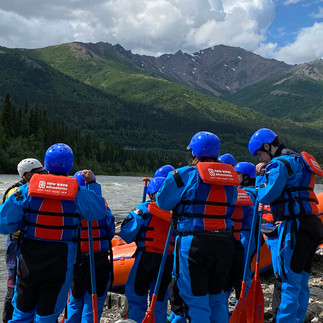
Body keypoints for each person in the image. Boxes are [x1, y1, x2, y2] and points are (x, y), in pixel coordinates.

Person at [0, 143, 107, 323]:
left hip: (29, 259)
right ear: (70, 165)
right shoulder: (77, 191)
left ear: (46, 165)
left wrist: (23, 222)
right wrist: (93, 185)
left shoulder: (27, 190)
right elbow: (97, 212)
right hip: (60, 260)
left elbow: (4, 224)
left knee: (21, 313)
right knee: (47, 316)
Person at [157, 131, 238, 323]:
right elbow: (232, 203)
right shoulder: (228, 178)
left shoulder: (184, 174)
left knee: (196, 301)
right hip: (224, 243)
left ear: (194, 152)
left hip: (194, 244)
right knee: (217, 298)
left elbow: (163, 202)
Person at [248, 128, 323, 323]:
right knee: (301, 280)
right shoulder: (299, 161)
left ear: (267, 146)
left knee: (287, 281)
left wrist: (259, 175)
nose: (260, 158)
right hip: (312, 225)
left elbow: (265, 196)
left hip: (294, 226)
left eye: (259, 153)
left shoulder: (278, 164)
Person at [119, 176, 174, 323]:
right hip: (167, 260)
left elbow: (126, 233)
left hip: (145, 259)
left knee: (136, 297)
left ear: (151, 193)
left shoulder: (144, 208)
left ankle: (136, 320)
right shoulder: (177, 212)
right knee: (160, 301)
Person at [65, 171, 115, 322]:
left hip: (77, 262)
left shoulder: (69, 206)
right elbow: (110, 231)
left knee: (74, 302)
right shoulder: (102, 205)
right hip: (99, 260)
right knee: (93, 304)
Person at [2, 158, 45, 323]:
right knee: (13, 284)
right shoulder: (16, 192)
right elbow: (8, 222)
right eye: (39, 172)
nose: (43, 175)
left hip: (31, 242)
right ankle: (7, 319)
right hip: (17, 243)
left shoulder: (35, 189)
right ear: (27, 175)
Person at [223, 162, 255, 307]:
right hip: (244, 235)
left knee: (242, 273)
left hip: (245, 236)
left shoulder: (248, 194)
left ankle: (241, 305)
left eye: (238, 174)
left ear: (247, 176)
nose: (235, 176)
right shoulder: (250, 191)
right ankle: (237, 303)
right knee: (240, 271)